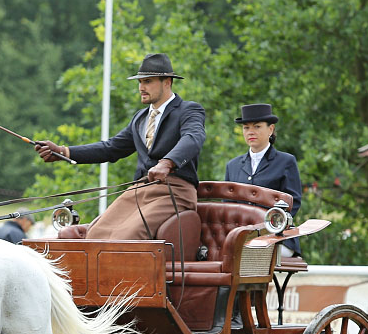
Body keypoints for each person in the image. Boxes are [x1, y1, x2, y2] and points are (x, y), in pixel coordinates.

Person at [35, 53, 206, 240]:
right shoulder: (140, 118)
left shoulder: (188, 110)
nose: (141, 88)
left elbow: (193, 138)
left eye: (147, 81)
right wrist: (63, 152)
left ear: (167, 82)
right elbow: (111, 148)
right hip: (139, 190)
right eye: (140, 82)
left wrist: (167, 163)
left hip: (174, 191)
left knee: (127, 236)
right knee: (96, 233)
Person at [224, 103, 303, 256]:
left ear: (271, 129)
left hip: (278, 237)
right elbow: (227, 206)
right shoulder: (232, 166)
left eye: (257, 127)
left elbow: (294, 203)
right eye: (246, 128)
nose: (251, 132)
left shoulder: (286, 161)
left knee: (249, 254)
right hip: (241, 236)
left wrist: (269, 227)